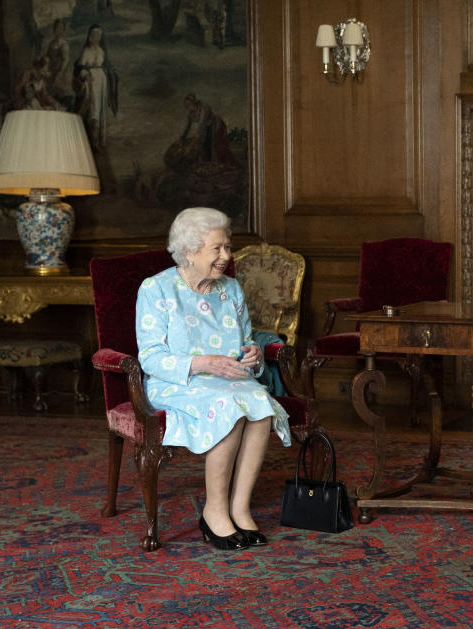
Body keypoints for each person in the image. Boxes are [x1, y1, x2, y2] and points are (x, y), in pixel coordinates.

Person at [135, 207, 292, 550]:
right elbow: (150, 358)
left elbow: (246, 341)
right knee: (229, 406)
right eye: (217, 249)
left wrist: (252, 356)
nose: (226, 256)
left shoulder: (231, 289)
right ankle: (214, 511)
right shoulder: (156, 289)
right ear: (189, 251)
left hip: (227, 379)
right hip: (178, 383)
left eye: (227, 247)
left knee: (261, 405)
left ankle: (239, 506)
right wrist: (203, 362)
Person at [74, 24, 118, 147]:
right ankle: (93, 141)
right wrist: (85, 75)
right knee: (94, 109)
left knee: (101, 109)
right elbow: (79, 68)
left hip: (102, 81)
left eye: (99, 35)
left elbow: (106, 65)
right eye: (94, 35)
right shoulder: (86, 51)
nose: (97, 37)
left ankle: (100, 140)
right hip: (91, 81)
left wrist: (110, 72)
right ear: (89, 36)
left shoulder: (101, 51)